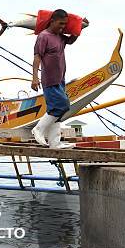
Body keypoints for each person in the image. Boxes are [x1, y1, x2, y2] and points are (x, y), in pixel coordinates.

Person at [31, 9, 87, 149]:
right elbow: (37, 57)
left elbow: (71, 40)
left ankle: (55, 143)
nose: (62, 27)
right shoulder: (44, 36)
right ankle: (38, 129)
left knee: (58, 110)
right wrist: (34, 78)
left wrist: (80, 27)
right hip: (50, 80)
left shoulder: (60, 36)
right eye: (60, 23)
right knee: (62, 106)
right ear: (52, 21)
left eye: (65, 24)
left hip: (60, 79)